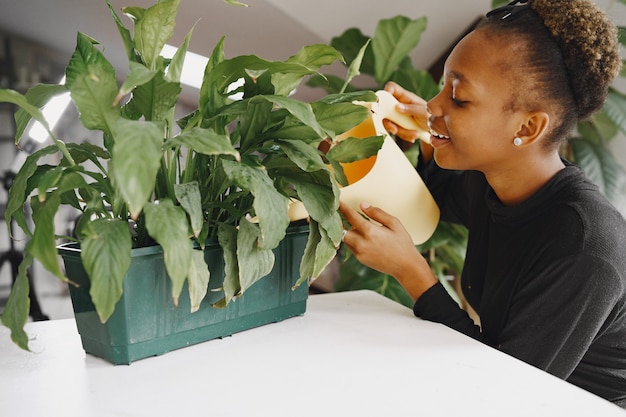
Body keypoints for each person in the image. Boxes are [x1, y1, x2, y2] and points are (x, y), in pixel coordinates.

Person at [338, 0, 626, 408]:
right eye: (442, 88)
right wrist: (426, 134)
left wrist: (412, 273)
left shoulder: (584, 247)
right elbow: (434, 198)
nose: (434, 105)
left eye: (459, 98)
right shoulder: (493, 180)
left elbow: (503, 388)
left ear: (527, 127)